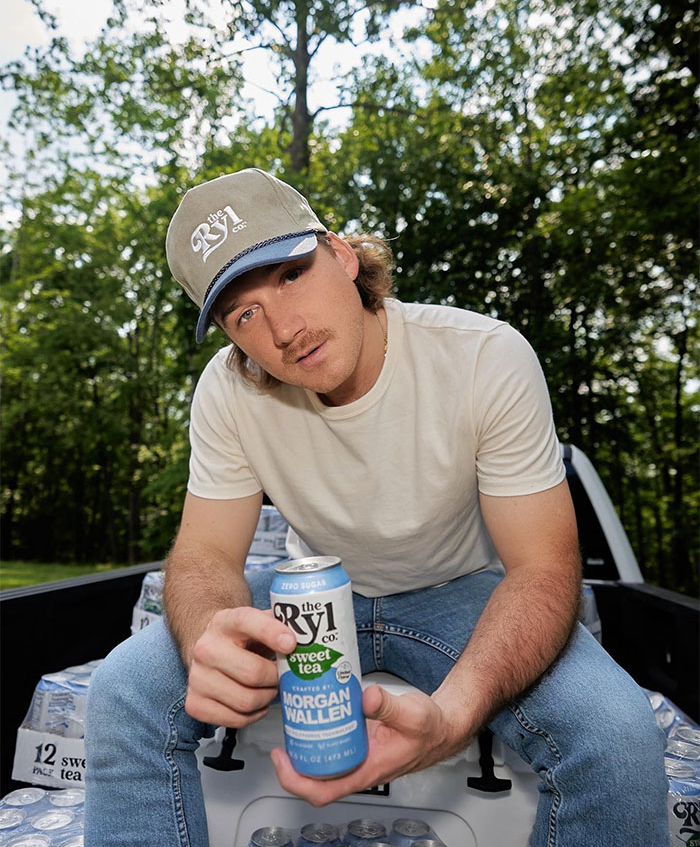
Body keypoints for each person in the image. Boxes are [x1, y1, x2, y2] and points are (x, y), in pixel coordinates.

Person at [84, 168, 668, 845]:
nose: (283, 328)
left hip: (461, 591)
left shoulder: (485, 357)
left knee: (617, 734)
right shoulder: (228, 392)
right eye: (244, 313)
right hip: (315, 591)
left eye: (290, 275)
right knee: (122, 692)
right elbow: (205, 554)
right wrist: (213, 634)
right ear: (228, 335)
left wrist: (454, 713)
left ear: (340, 253)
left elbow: (543, 568)